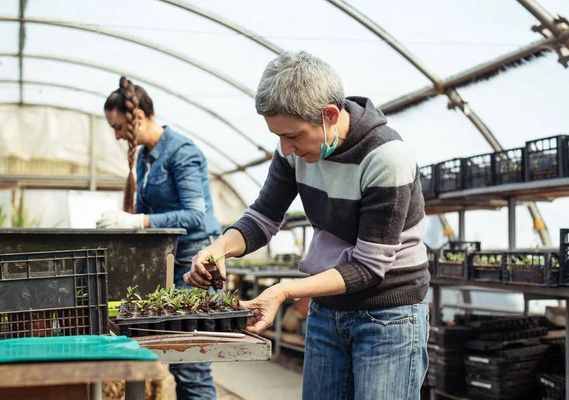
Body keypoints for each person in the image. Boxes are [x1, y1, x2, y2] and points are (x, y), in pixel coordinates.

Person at [184, 52, 430, 400]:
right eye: (279, 137)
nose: (286, 148)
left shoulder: (386, 158)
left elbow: (369, 267)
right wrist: (220, 246)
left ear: (329, 115)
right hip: (328, 309)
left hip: (388, 315)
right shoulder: (291, 151)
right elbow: (263, 217)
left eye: (294, 136)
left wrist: (286, 290)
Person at [97, 76, 222, 400]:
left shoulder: (181, 152)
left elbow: (195, 214)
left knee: (189, 362)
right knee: (157, 350)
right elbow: (144, 212)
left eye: (118, 127)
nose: (116, 135)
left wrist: (138, 220)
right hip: (164, 263)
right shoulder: (145, 156)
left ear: (138, 118)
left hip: (194, 265)